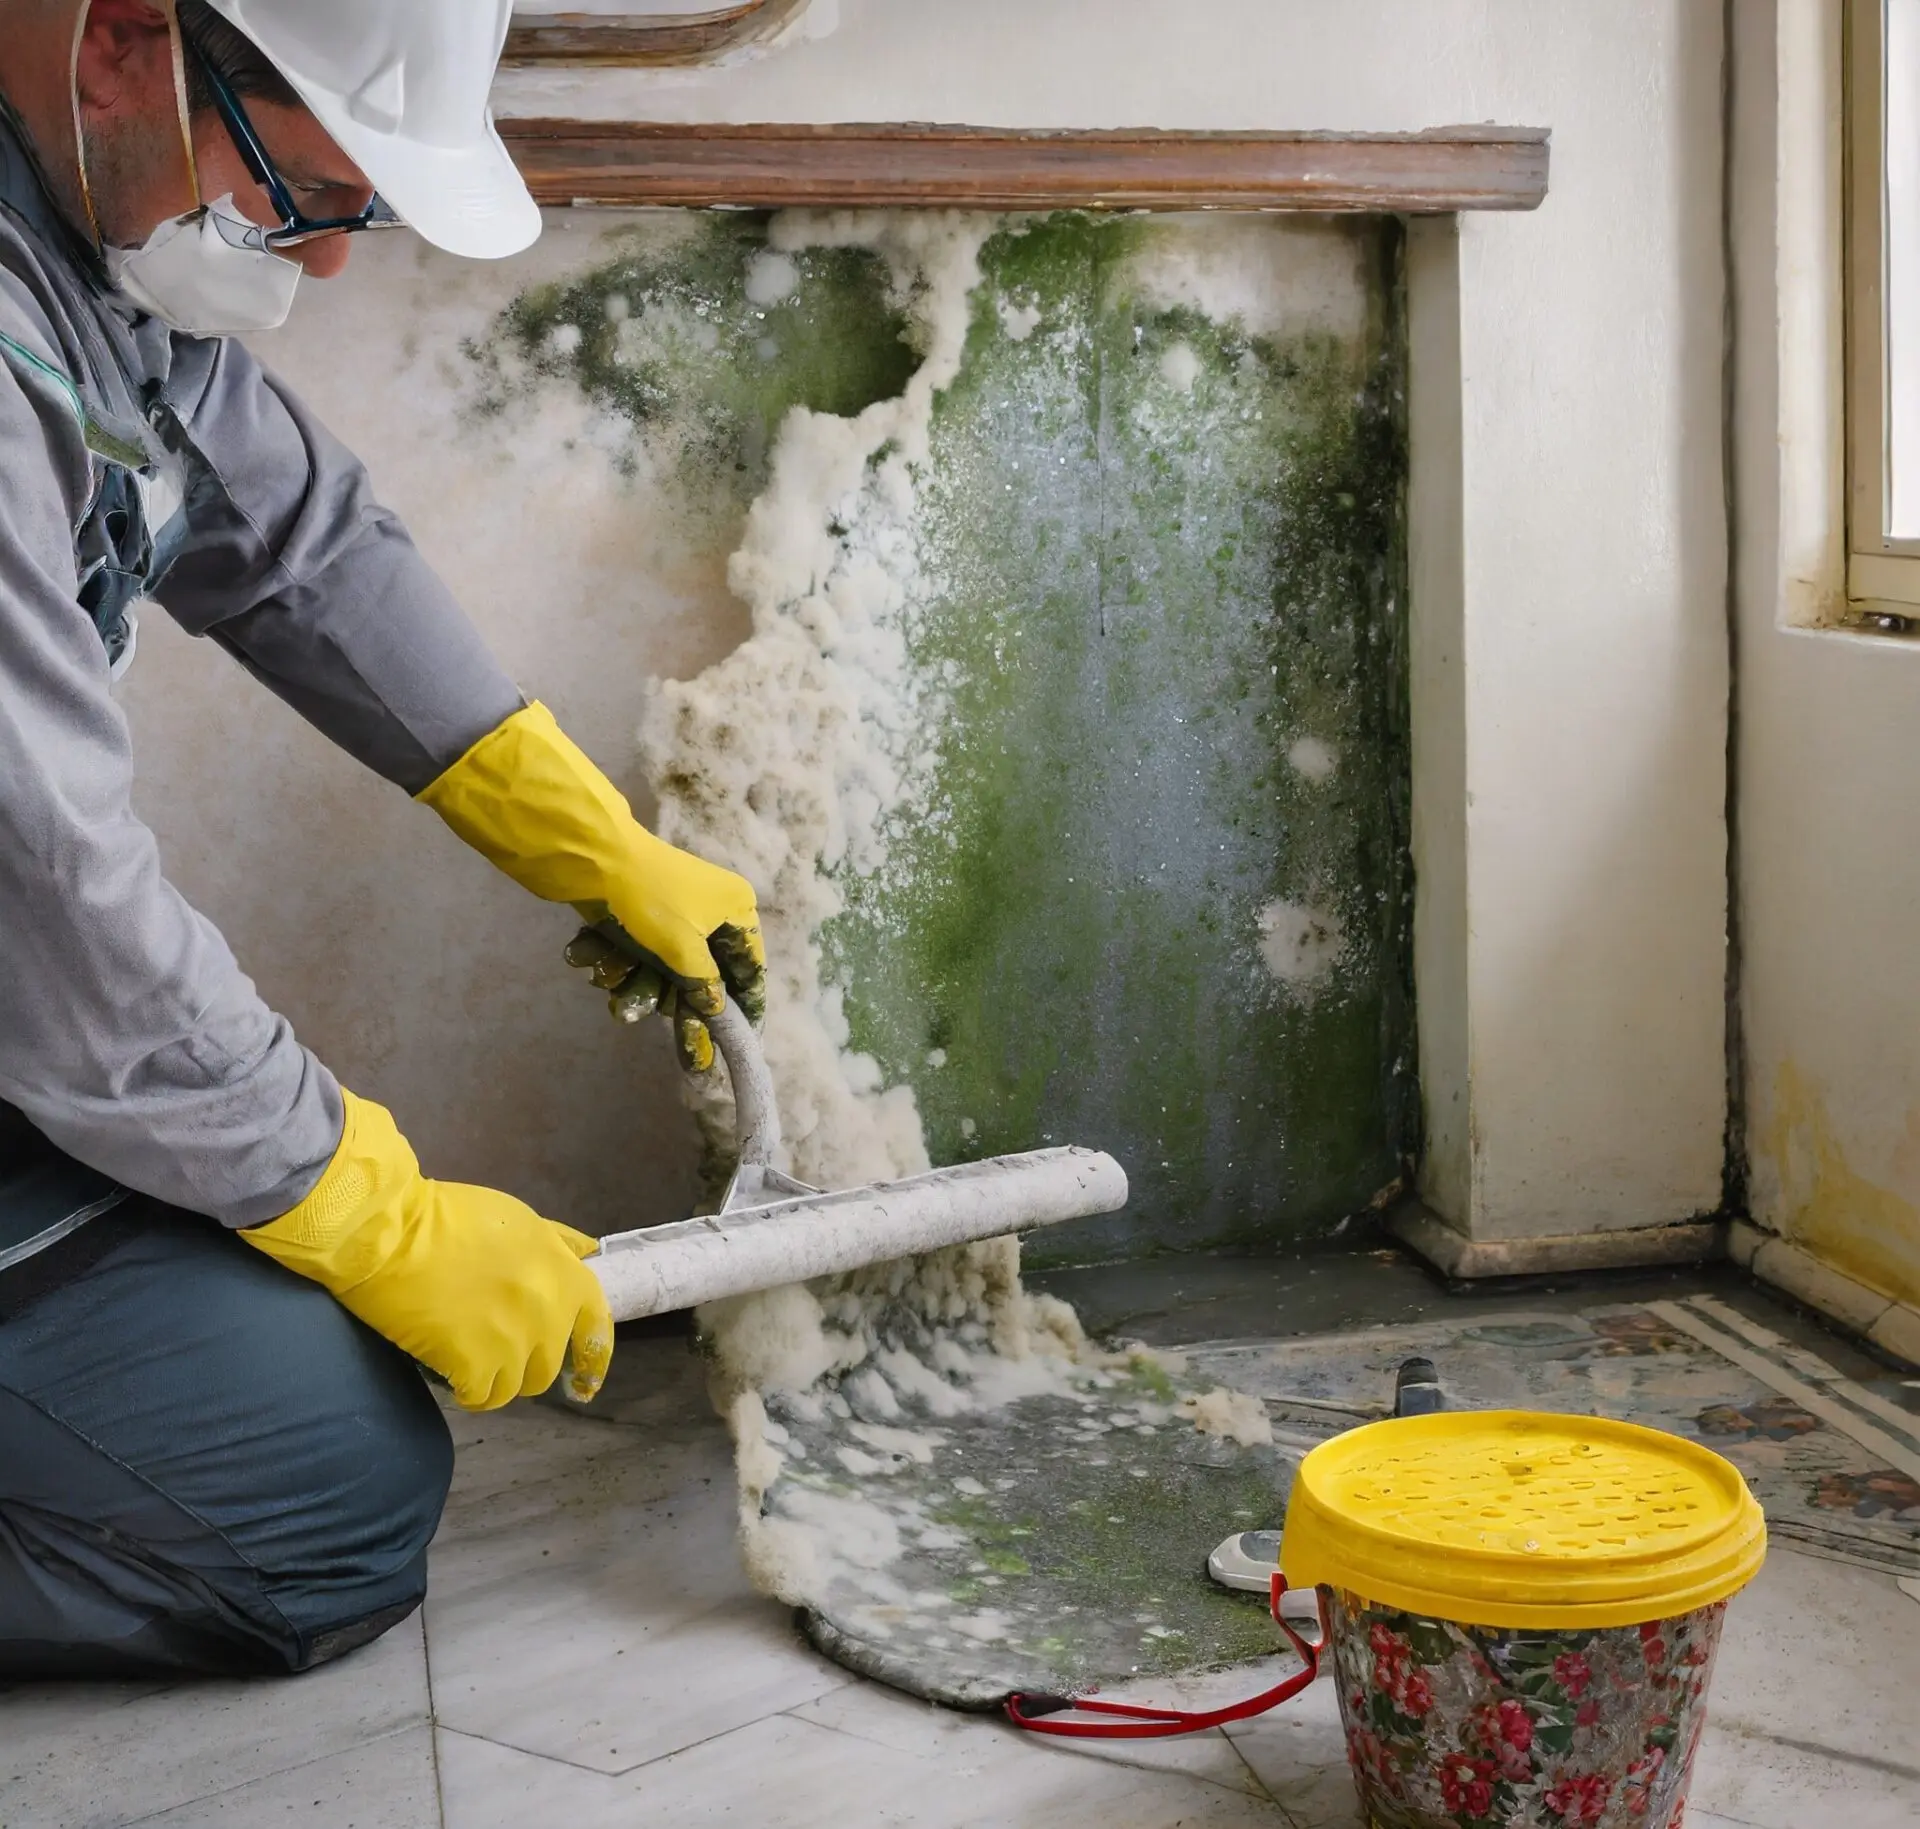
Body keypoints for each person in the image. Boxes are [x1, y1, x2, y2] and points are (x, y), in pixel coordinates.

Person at [0, 0, 765, 1678]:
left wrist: (577, 831)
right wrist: (373, 1207)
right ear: (126, 40)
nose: (328, 266)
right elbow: (42, 889)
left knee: (300, 1379)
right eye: (306, 192)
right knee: (318, 1506)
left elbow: (298, 543)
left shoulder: (70, 227)